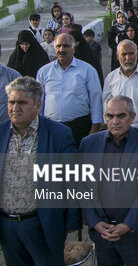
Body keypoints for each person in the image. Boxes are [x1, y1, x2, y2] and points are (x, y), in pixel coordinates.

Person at [0, 77, 82, 266]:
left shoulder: (59, 134)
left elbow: (73, 181)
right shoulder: (1, 132)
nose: (15, 107)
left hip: (42, 223)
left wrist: (72, 221)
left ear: (37, 105)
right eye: (11, 102)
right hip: (7, 225)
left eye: (22, 102)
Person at [79, 95, 138, 266]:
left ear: (132, 117)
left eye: (121, 115)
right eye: (110, 116)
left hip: (135, 235)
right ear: (104, 117)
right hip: (103, 235)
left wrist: (128, 224)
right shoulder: (88, 144)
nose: (115, 121)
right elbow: (83, 188)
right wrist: (95, 222)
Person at [36, 33, 103, 145]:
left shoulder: (87, 70)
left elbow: (96, 99)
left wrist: (95, 128)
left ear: (74, 48)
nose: (61, 49)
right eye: (58, 46)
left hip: (80, 127)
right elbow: (39, 102)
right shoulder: (44, 72)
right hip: (51, 127)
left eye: (66, 46)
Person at [102, 40, 138, 134]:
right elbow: (106, 106)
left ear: (137, 54)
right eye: (124, 54)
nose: (128, 58)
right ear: (117, 56)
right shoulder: (111, 78)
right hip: (117, 132)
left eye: (131, 54)